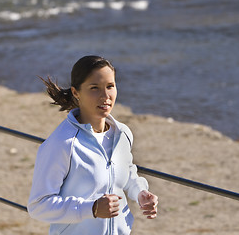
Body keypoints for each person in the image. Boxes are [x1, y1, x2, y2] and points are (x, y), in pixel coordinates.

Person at [28, 55, 158, 235]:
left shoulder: (122, 134)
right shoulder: (62, 143)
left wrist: (140, 192)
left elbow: (127, 174)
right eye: (94, 88)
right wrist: (92, 209)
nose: (105, 96)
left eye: (110, 86)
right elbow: (38, 205)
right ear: (76, 92)